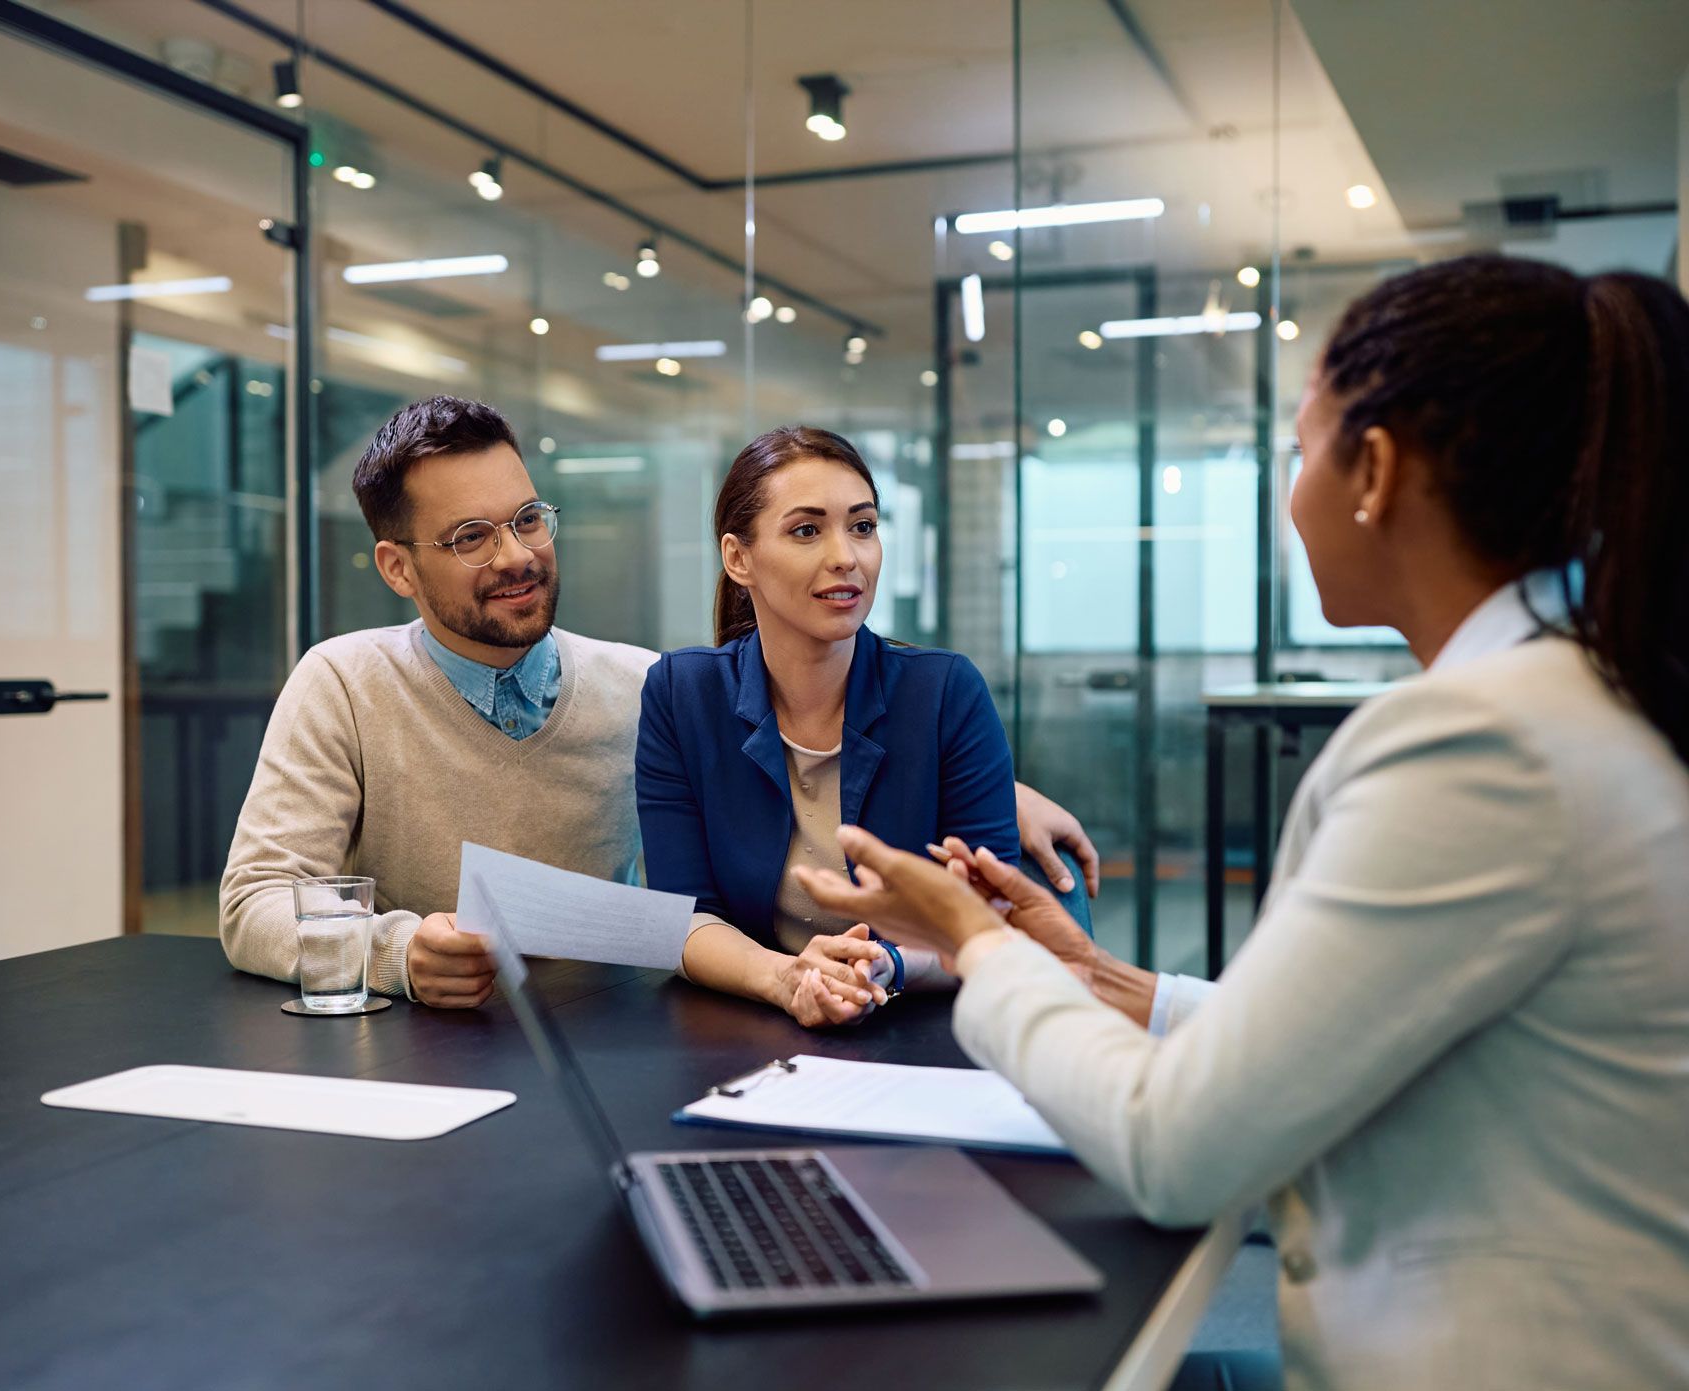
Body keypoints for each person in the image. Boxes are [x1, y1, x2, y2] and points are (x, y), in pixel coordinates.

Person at [794, 256, 1689, 1388]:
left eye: (1301, 449)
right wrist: (1105, 979)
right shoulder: (1577, 692)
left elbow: (1174, 1150)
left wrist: (974, 942)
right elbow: (1356, 1009)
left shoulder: (1483, 745)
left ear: (1373, 467)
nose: (1292, 487)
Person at [222, 397, 1097, 1008]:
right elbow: (255, 902)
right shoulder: (341, 681)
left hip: (614, 1035)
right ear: (398, 567)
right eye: (470, 536)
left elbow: (794, 724)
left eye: (528, 518)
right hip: (424, 1047)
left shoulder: (639, 687)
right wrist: (396, 954)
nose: (517, 553)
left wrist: (997, 790)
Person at [636, 426, 1094, 1029]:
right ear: (738, 558)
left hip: (935, 1029)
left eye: (863, 526)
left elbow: (993, 919)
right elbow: (685, 919)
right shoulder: (681, 694)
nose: (846, 556)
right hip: (757, 1029)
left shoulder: (944, 692)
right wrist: (786, 978)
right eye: (807, 530)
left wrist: (885, 966)